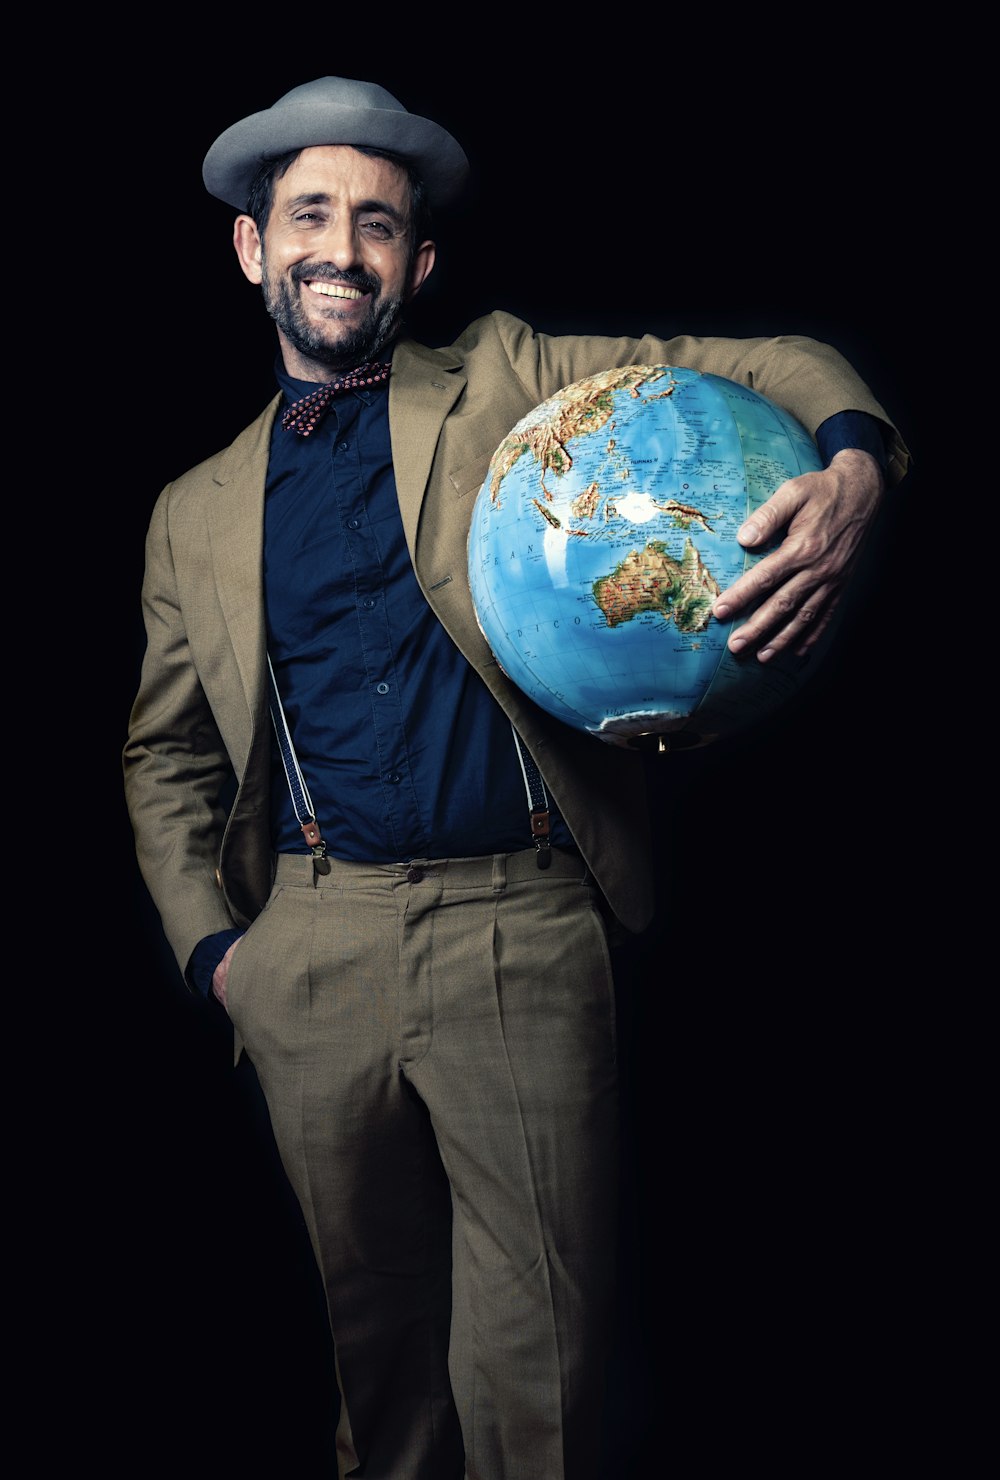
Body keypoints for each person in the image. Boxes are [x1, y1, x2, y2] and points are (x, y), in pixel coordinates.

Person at [123, 76, 910, 1480]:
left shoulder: (505, 374)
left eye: (377, 224)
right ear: (254, 249)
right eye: (309, 215)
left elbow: (773, 364)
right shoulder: (193, 508)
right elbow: (165, 753)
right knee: (378, 1373)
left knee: (540, 1373)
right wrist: (219, 956)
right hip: (309, 952)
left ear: (418, 262)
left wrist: (854, 469)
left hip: (519, 928)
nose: (340, 249)